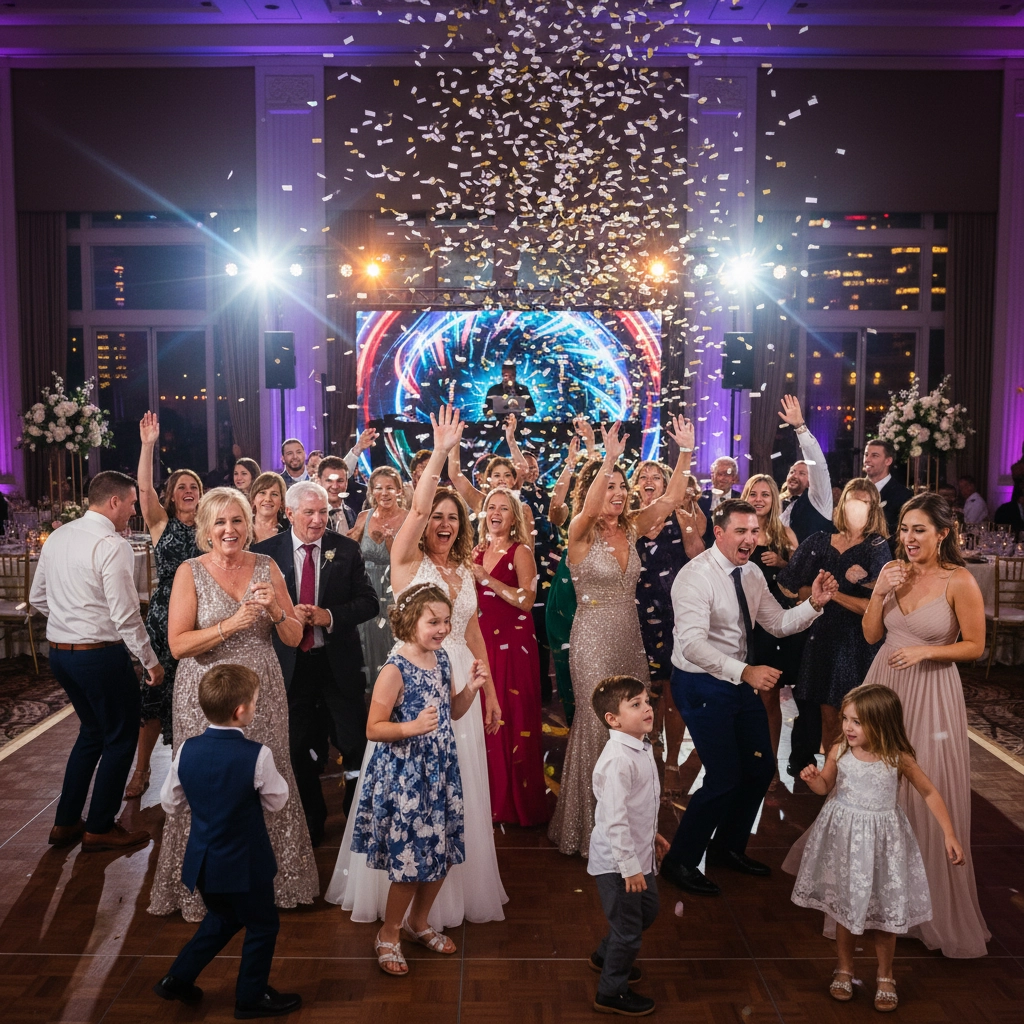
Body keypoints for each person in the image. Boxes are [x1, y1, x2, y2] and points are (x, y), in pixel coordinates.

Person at [326, 405, 507, 927]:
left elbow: (472, 633)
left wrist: (488, 689)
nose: (445, 523)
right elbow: (420, 507)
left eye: (454, 517)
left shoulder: (464, 569)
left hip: (462, 689)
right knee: (413, 796)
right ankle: (398, 912)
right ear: (423, 524)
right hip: (415, 681)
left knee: (459, 793)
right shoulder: (408, 559)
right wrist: (441, 457)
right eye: (437, 517)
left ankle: (452, 898)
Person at [149, 487, 318, 922]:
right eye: (221, 522)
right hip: (203, 694)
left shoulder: (267, 565)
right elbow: (178, 644)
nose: (230, 530)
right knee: (208, 781)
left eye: (237, 521)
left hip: (261, 691)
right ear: (206, 529)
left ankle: (275, 881)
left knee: (267, 774)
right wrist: (233, 623)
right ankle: (201, 890)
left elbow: (295, 637)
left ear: (248, 525)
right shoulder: (190, 571)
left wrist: (278, 613)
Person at [659, 499, 838, 897]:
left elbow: (776, 623)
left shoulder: (753, 572)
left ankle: (726, 848)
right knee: (723, 776)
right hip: (701, 683)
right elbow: (690, 646)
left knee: (758, 770)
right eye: (740, 531)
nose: (750, 539)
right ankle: (680, 860)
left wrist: (814, 604)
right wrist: (747, 673)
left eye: (754, 531)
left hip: (738, 681)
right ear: (718, 533)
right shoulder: (695, 578)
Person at [548, 416, 695, 858]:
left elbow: (671, 497)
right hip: (591, 636)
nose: (617, 494)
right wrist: (609, 458)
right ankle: (590, 826)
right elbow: (590, 510)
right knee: (597, 723)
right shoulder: (578, 532)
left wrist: (685, 452)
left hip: (629, 638)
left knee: (635, 724)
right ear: (594, 491)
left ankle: (632, 826)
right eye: (608, 487)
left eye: (620, 487)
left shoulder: (632, 528)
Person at [860, 492, 990, 958]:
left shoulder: (960, 581)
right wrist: (879, 591)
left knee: (925, 785)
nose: (909, 538)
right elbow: (872, 635)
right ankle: (876, 901)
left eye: (919, 530)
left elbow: (975, 645)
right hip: (885, 688)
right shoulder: (894, 571)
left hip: (932, 695)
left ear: (943, 533)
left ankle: (928, 909)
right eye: (904, 529)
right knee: (878, 790)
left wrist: (925, 650)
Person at [784, 683, 964, 1013]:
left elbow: (929, 793)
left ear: (881, 722)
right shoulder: (839, 749)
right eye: (846, 719)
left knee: (885, 913)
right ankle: (844, 969)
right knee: (845, 907)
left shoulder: (897, 757)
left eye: (856, 722)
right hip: (846, 843)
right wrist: (813, 780)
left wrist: (949, 834)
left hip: (885, 843)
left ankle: (885, 975)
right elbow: (826, 786)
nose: (847, 727)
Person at [153, 664, 302, 1020]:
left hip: (204, 862)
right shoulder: (257, 755)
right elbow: (277, 800)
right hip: (246, 864)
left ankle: (177, 978)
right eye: (254, 702)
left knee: (222, 918)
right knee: (263, 925)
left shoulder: (186, 749)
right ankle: (250, 998)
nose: (255, 707)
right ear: (240, 711)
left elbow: (170, 803)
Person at [352, 584, 485, 976]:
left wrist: (472, 691)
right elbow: (373, 729)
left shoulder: (442, 659)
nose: (443, 628)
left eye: (446, 621)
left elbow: (453, 711)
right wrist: (410, 727)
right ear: (410, 622)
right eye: (434, 622)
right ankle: (388, 933)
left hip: (440, 771)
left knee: (440, 855)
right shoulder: (394, 670)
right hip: (407, 778)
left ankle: (418, 922)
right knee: (411, 862)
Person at [30, 471, 164, 853]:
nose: (135, 511)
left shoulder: (59, 535)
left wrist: (69, 620)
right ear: (115, 502)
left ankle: (66, 823)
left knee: (91, 733)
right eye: (133, 503)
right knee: (121, 738)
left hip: (60, 653)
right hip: (98, 656)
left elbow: (38, 597)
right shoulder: (112, 544)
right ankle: (100, 827)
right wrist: (150, 661)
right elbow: (125, 615)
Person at [252, 481, 379, 844]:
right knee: (296, 749)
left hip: (338, 664)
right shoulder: (265, 554)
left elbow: (369, 603)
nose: (318, 519)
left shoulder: (347, 549)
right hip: (292, 667)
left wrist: (329, 615)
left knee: (354, 744)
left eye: (323, 512)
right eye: (309, 512)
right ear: (288, 513)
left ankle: (357, 817)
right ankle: (312, 817)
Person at [777, 479, 891, 754]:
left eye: (865, 502)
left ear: (873, 508)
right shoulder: (819, 540)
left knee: (858, 718)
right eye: (852, 499)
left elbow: (876, 604)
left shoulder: (876, 546)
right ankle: (833, 783)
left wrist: (836, 594)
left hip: (858, 643)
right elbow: (788, 585)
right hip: (822, 636)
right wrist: (811, 595)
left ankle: (857, 779)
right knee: (828, 716)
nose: (857, 506)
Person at [127, 412, 202, 800]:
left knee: (190, 699)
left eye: (195, 486)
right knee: (154, 699)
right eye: (182, 487)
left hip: (199, 620)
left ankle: (182, 771)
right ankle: (140, 773)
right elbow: (143, 489)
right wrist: (147, 445)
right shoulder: (161, 525)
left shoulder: (212, 529)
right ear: (171, 494)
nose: (189, 490)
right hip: (163, 619)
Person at [587, 676, 667, 1018]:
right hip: (620, 864)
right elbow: (615, 821)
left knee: (646, 911)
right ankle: (611, 991)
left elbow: (641, 804)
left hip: (639, 853)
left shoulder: (640, 745)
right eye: (635, 704)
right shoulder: (620, 759)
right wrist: (630, 868)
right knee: (629, 931)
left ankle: (606, 954)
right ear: (612, 719)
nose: (647, 707)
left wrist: (652, 834)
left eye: (646, 701)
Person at [472, 486, 549, 826]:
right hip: (481, 640)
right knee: (484, 717)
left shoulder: (522, 552)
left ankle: (515, 802)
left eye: (504, 508)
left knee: (512, 715)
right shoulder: (475, 550)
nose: (496, 512)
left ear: (513, 516)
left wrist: (486, 579)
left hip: (515, 645)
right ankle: (486, 797)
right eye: (491, 506)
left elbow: (526, 601)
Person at [632, 460, 705, 796]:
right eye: (643, 477)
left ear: (665, 485)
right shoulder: (629, 520)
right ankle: (647, 746)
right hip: (635, 616)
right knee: (645, 688)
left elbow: (698, 555)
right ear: (635, 485)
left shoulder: (683, 517)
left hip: (675, 614)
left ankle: (673, 761)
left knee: (673, 690)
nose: (649, 481)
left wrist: (690, 525)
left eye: (656, 477)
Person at [740, 473, 801, 766]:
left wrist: (783, 562)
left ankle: (771, 763)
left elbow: (802, 578)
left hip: (771, 624)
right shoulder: (738, 532)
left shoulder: (784, 534)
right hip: (739, 621)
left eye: (765, 494)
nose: (759, 499)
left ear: (774, 499)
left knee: (769, 698)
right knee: (737, 695)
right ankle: (741, 760)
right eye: (754, 494)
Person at [348, 466, 409, 683]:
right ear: (372, 491)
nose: (384, 493)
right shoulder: (364, 516)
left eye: (390, 488)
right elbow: (351, 549)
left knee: (393, 637)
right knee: (366, 641)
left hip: (396, 587)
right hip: (366, 588)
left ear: (399, 491)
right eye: (379, 488)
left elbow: (409, 559)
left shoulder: (408, 518)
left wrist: (391, 540)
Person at [779, 396, 835, 542]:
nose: (794, 476)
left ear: (812, 481)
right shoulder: (775, 502)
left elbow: (817, 464)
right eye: (792, 472)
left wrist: (799, 427)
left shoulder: (819, 500)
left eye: (802, 473)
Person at [863, 439, 914, 538]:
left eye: (874, 456)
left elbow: (899, 534)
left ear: (888, 461)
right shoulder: (854, 491)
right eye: (866, 454)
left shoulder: (903, 496)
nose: (867, 460)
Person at [697, 456, 740, 547]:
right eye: (719, 474)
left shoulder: (741, 499)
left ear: (734, 478)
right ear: (712, 476)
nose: (722, 478)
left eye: (727, 474)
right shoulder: (700, 499)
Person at [317, 456, 359, 532]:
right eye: (329, 481)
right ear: (319, 481)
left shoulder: (351, 513)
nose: (335, 486)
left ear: (346, 482)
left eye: (340, 481)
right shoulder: (309, 515)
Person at [250, 472, 288, 544]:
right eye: (262, 493)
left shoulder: (290, 530)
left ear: (282, 501)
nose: (268, 499)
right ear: (253, 499)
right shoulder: (242, 527)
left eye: (274, 494)